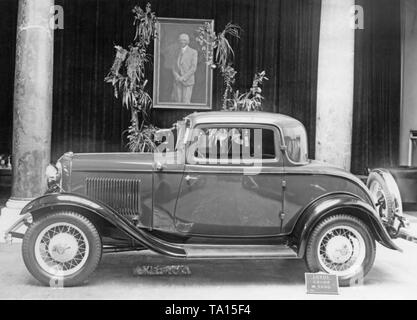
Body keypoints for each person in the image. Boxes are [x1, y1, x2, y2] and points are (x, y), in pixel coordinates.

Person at [172, 33, 198, 104]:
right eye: (180, 40)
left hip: (188, 81)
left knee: (186, 103)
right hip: (177, 82)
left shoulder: (193, 52)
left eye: (184, 40)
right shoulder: (176, 52)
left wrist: (183, 77)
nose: (182, 41)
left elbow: (193, 68)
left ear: (188, 41)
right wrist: (177, 77)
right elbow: (174, 67)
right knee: (177, 102)